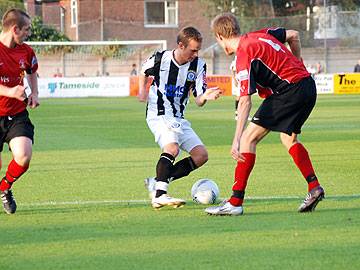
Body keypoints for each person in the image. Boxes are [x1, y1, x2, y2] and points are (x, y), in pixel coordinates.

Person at [205, 13, 325, 216]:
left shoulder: (243, 55)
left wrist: (236, 139)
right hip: (307, 86)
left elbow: (244, 101)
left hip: (290, 91)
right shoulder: (262, 34)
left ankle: (235, 202)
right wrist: (298, 64)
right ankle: (314, 188)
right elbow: (294, 35)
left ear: (220, 36)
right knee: (288, 139)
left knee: (247, 139)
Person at [138, 26, 221, 209]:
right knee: (172, 148)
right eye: (193, 50)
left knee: (201, 155)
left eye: (198, 50)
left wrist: (205, 97)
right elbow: (144, 71)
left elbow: (198, 99)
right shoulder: (161, 59)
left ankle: (157, 181)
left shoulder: (198, 66)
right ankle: (160, 194)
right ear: (181, 45)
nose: (196, 54)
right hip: (158, 112)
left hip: (177, 117)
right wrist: (142, 91)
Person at [0, 9, 39, 214]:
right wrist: (10, 91)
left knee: (23, 156)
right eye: (26, 30)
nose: (28, 33)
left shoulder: (26, 51)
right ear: (14, 29)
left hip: (16, 114)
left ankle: (5, 187)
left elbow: (32, 70)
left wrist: (34, 94)